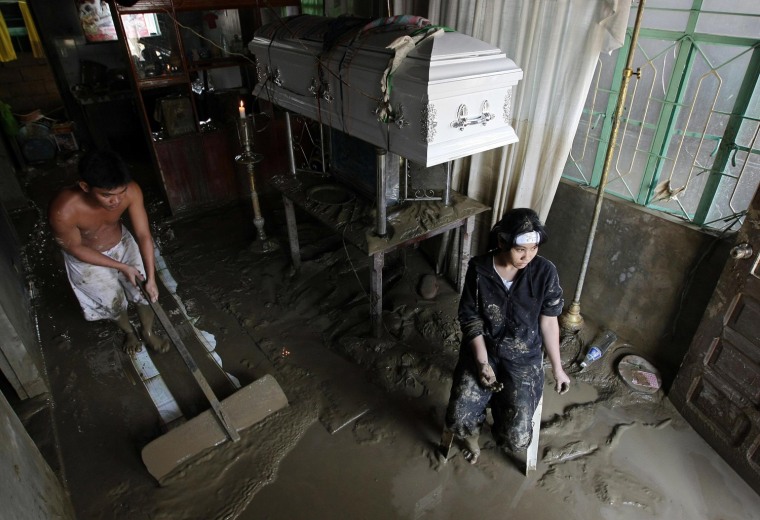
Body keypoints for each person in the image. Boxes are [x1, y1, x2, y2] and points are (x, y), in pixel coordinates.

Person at [443, 208, 570, 464]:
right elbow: (470, 318)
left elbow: (549, 322)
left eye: (534, 249)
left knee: (517, 438)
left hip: (523, 356)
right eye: (520, 249)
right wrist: (482, 362)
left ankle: (501, 420)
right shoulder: (479, 270)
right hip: (484, 349)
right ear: (502, 242)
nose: (527, 256)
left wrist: (558, 368)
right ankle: (471, 436)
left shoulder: (545, 272)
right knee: (458, 415)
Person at [49, 149, 169, 355]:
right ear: (85, 186)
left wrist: (151, 278)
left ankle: (147, 332)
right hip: (86, 257)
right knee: (111, 301)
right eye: (107, 195)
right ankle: (129, 332)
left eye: (121, 193)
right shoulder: (64, 209)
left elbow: (143, 234)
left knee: (143, 293)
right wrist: (122, 267)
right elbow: (75, 247)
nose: (116, 201)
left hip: (121, 243)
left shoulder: (131, 191)